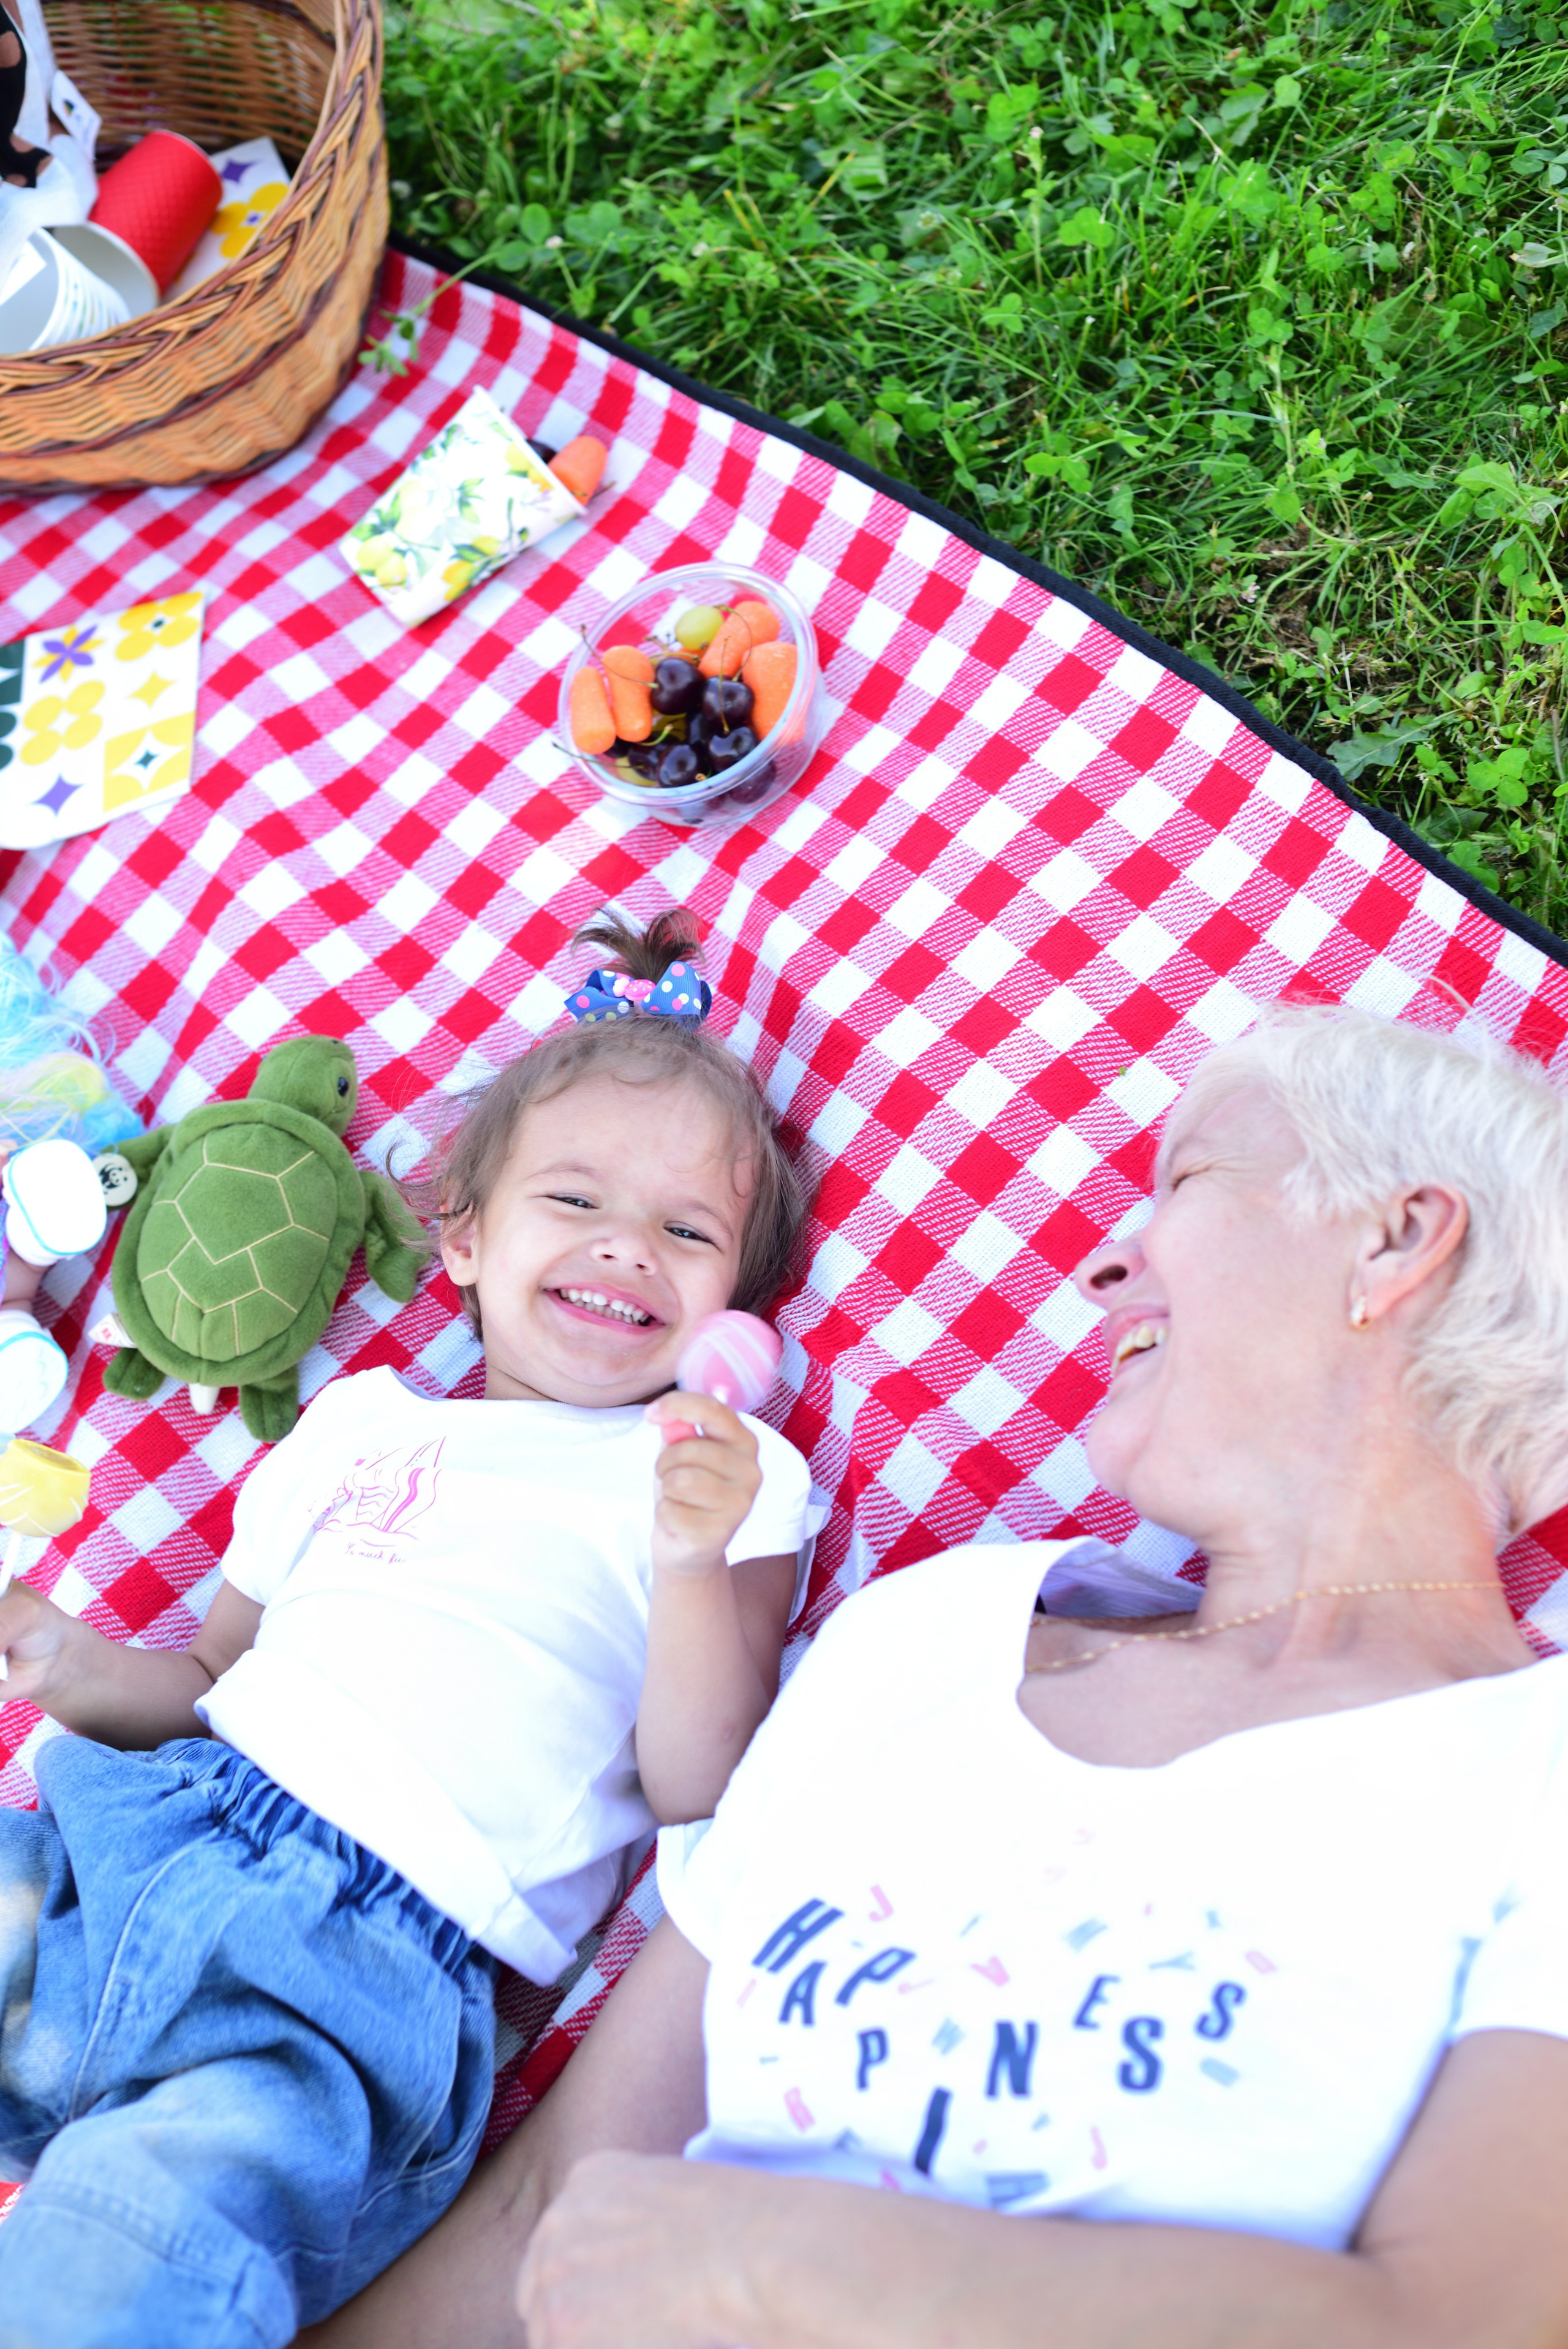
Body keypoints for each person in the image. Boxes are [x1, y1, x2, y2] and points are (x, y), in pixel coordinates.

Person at [309, 1000, 1568, 2349]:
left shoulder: (1535, 1770)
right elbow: (552, 2210)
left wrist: (778, 2266)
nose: (1104, 1266)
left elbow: (1467, 2322)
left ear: (1396, 1237)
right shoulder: (927, 1633)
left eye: (1189, 1182)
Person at [0, 909, 820, 2349]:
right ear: (464, 1239)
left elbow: (697, 1782)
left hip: (353, 1982)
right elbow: (208, 1677)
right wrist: (70, 1664)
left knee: (139, 2240)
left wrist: (693, 1556)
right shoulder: (358, 1423)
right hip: (137, 1841)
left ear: (728, 1308)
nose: (625, 1246)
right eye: (575, 1198)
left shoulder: (714, 1476)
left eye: (686, 1231)